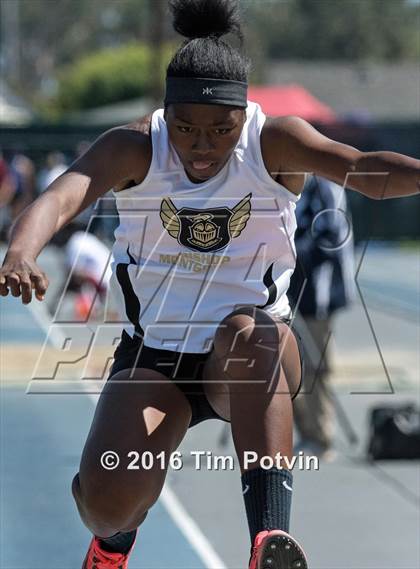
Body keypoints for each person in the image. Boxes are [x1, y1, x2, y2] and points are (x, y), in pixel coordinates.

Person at [0, 1, 418, 568]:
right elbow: (59, 197)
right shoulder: (134, 147)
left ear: (243, 115)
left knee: (251, 334)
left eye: (220, 130)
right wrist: (21, 251)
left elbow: (364, 167)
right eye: (186, 130)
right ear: (165, 114)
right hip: (155, 359)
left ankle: (269, 540)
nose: (201, 147)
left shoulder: (274, 143)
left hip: (250, 358)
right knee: (105, 502)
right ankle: (110, 546)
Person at [288, 175, 355, 461]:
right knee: (289, 369)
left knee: (318, 367)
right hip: (285, 292)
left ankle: (321, 438)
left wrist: (287, 253)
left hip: (320, 294)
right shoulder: (280, 183)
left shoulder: (328, 190)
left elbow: (331, 238)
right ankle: (305, 432)